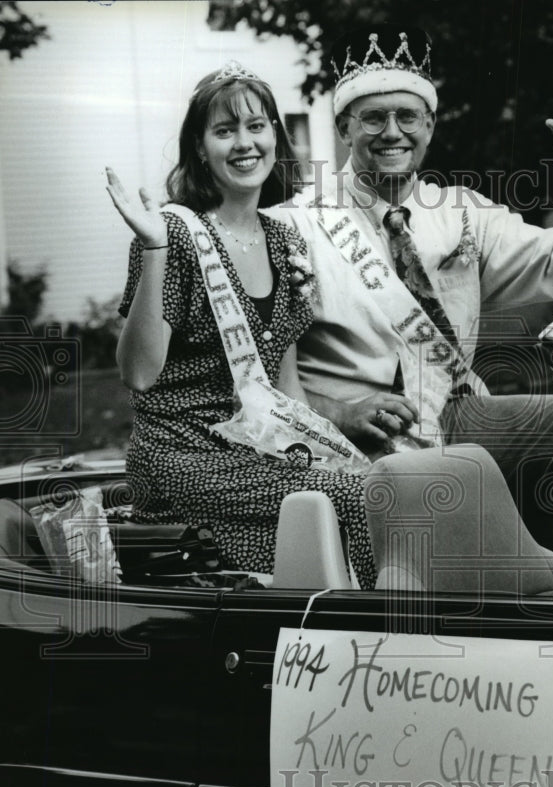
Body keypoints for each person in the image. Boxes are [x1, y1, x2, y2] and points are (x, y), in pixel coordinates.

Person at [268, 25, 553, 544]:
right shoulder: (292, 224)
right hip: (357, 434)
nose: (392, 132)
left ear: (430, 124)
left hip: (460, 413)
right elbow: (250, 377)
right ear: (344, 127)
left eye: (408, 116)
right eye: (374, 117)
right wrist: (335, 412)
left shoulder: (462, 213)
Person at [106, 63, 378, 587]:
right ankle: (360, 640)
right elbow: (137, 374)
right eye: (224, 130)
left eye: (256, 126)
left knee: (380, 486)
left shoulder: (285, 240)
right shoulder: (174, 234)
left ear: (276, 135)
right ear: (200, 148)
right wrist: (154, 250)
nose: (244, 143)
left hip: (256, 455)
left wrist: (334, 450)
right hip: (181, 460)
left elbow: (286, 391)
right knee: (352, 501)